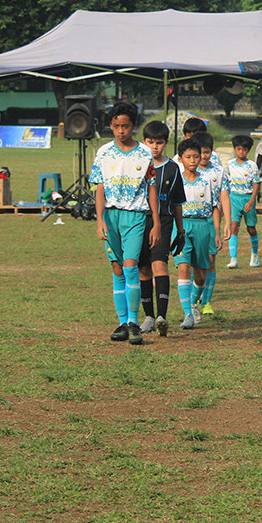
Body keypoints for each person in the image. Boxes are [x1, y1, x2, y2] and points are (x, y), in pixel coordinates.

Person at [91, 102, 161, 345]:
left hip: (136, 216)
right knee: (117, 269)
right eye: (116, 126)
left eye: (126, 126)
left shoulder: (144, 153)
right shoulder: (103, 153)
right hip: (111, 216)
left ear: (133, 126)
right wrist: (99, 219)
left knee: (131, 266)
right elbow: (99, 189)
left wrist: (157, 222)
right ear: (110, 125)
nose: (121, 131)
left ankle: (134, 323)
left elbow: (151, 188)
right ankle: (122, 322)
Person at [136, 121, 186, 338]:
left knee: (160, 266)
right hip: (139, 221)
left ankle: (161, 317)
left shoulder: (173, 169)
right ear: (144, 142)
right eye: (150, 142)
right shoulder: (136, 164)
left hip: (163, 222)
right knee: (143, 270)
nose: (154, 147)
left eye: (159, 143)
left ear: (166, 143)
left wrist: (181, 231)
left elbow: (177, 203)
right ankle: (148, 316)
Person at [174, 139, 222, 330]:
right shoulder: (176, 181)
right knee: (183, 267)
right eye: (188, 157)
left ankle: (194, 302)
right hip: (183, 225)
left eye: (196, 156)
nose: (193, 160)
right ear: (180, 159)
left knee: (201, 275)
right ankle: (187, 314)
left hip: (203, 226)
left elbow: (214, 207)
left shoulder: (206, 181)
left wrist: (216, 232)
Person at [191, 132, 229, 316]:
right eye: (201, 153)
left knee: (211, 261)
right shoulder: (187, 172)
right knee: (195, 263)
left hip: (211, 221)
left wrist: (226, 223)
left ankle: (206, 302)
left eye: (208, 152)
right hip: (192, 221)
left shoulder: (218, 172)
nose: (204, 157)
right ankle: (193, 299)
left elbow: (224, 196)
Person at [226, 134, 261, 269]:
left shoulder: (252, 166)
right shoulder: (230, 164)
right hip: (234, 198)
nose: (241, 152)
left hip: (247, 198)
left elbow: (256, 183)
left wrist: (252, 200)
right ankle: (233, 258)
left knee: (251, 228)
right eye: (239, 149)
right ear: (235, 149)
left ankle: (254, 254)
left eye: (244, 149)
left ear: (248, 150)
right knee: (233, 227)